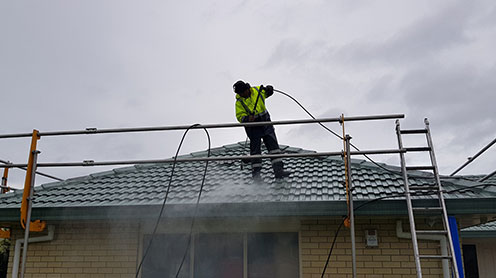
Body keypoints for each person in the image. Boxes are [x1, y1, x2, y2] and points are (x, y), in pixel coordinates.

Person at [233, 80, 291, 181]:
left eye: (242, 93)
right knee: (255, 151)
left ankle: (279, 171)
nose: (242, 95)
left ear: (247, 89)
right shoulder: (239, 102)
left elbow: (268, 92)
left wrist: (269, 89)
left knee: (274, 148)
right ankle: (256, 175)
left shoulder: (257, 91)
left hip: (265, 123)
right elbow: (239, 116)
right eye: (240, 94)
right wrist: (247, 119)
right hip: (253, 127)